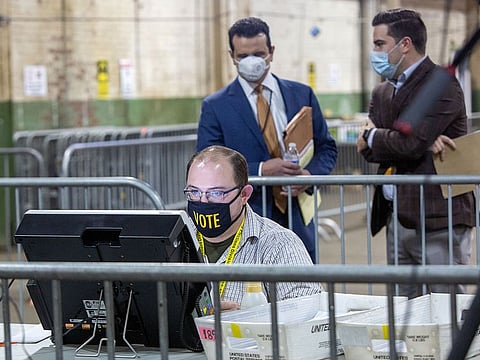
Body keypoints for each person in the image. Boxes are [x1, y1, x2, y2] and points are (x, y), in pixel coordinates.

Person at [196, 17, 337, 263]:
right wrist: (261, 170)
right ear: (232, 55)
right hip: (248, 221)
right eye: (243, 56)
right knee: (254, 296)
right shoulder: (215, 106)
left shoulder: (301, 94)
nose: (251, 62)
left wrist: (308, 176)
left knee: (304, 291)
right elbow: (207, 165)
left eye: (259, 53)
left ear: (271, 52)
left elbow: (327, 148)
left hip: (298, 217)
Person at [357, 8, 475, 298]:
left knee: (444, 304)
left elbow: (406, 145)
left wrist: (372, 135)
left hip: (439, 218)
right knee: (403, 306)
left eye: (379, 44)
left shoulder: (441, 84)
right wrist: (395, 141)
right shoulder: (381, 93)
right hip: (396, 216)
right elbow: (372, 152)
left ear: (405, 44)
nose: (374, 51)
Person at [185, 145, 323, 310]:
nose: (204, 201)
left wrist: (243, 321)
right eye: (194, 192)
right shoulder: (174, 240)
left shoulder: (280, 245)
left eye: (216, 193)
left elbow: (308, 315)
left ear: (244, 195)